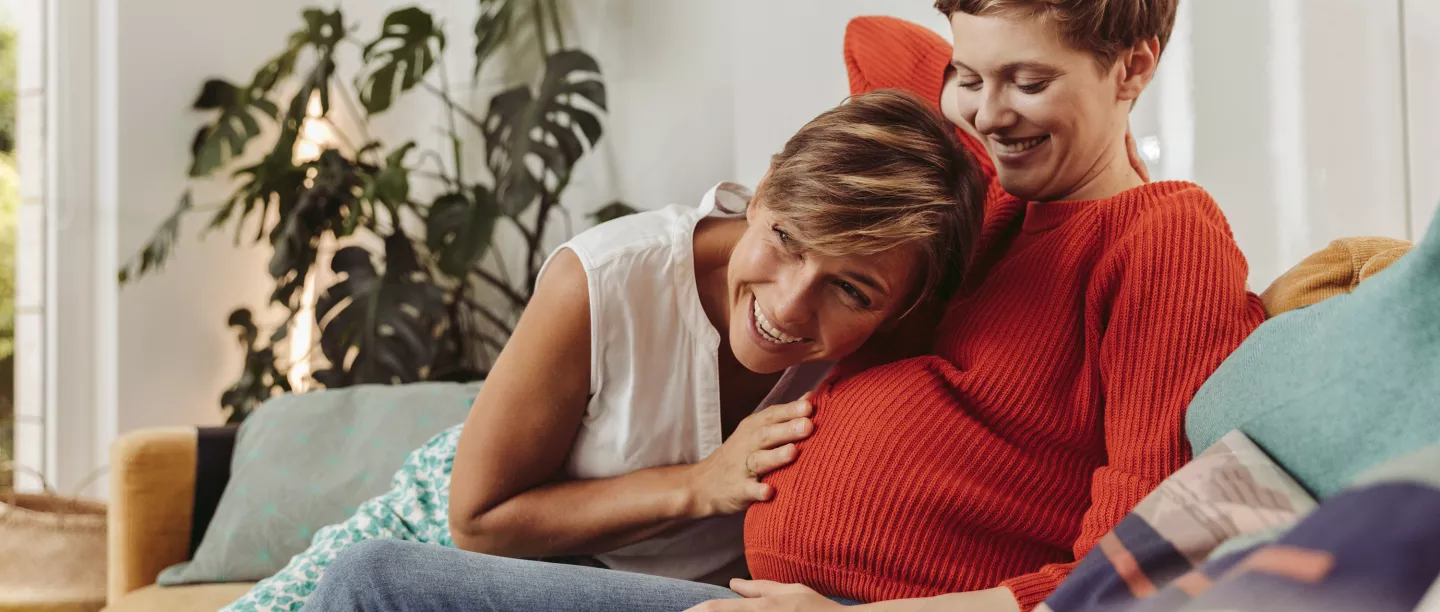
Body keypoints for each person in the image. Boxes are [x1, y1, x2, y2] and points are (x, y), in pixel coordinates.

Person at [294, 1, 1266, 611]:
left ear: (1135, 66)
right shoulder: (983, 204)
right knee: (368, 571)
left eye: (1030, 81)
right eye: (970, 77)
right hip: (757, 590)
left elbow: (1139, 569)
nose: (986, 113)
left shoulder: (1163, 238)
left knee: (373, 586)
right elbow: (876, 54)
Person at [221, 89, 985, 612]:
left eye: (851, 290)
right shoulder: (605, 279)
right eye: (785, 239)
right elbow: (478, 519)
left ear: (902, 307)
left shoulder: (901, 334)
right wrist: (698, 485)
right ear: (761, 195)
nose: (789, 305)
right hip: (453, 526)